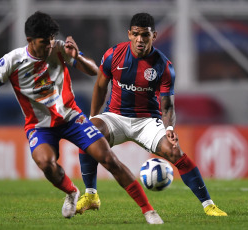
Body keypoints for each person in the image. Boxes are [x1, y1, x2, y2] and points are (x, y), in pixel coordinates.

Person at [0, 11, 163, 224]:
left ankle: (149, 211)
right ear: (30, 41)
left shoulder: (59, 49)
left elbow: (92, 71)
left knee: (108, 158)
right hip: (39, 126)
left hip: (72, 118)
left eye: (52, 40)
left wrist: (77, 56)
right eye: (44, 42)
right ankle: (72, 193)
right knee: (46, 163)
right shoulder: (11, 61)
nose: (49, 46)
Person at [76, 12, 227, 217]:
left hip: (147, 121)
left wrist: (170, 129)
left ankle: (209, 206)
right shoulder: (113, 54)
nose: (140, 39)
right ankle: (91, 195)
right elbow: (100, 87)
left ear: (153, 36)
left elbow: (167, 106)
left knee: (174, 151)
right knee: (87, 134)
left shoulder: (163, 66)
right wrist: (93, 119)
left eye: (145, 35)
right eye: (136, 34)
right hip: (115, 117)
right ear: (129, 34)